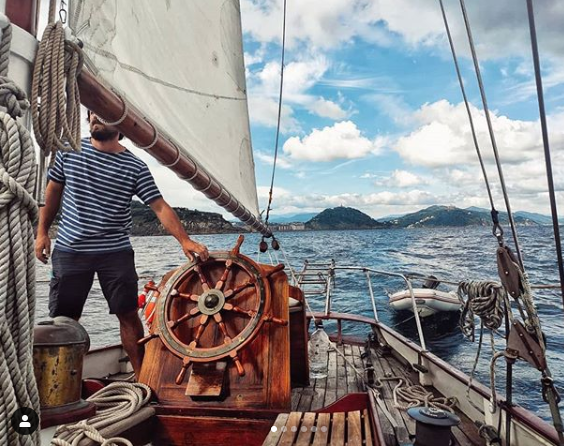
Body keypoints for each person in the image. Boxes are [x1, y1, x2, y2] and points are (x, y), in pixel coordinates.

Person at [35, 111, 209, 377]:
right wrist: (42, 233)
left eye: (102, 113)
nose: (95, 118)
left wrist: (184, 240)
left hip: (115, 252)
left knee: (128, 315)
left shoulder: (135, 166)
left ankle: (142, 378)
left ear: (121, 125)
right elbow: (53, 192)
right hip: (71, 249)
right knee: (64, 321)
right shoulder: (67, 151)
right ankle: (60, 382)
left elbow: (159, 206)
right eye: (91, 113)